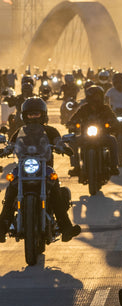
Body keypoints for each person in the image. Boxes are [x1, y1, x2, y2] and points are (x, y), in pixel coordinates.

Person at [0, 97, 82, 242]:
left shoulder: (50, 130)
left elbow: (58, 140)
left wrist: (62, 146)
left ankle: (66, 228)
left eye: (36, 114)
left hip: (45, 168)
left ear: (43, 114)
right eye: (30, 114)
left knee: (56, 190)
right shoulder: (20, 131)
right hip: (24, 168)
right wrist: (6, 149)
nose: (33, 117)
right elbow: (11, 144)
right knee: (11, 190)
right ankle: (2, 228)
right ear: (25, 116)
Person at [66, 84, 121, 175]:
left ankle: (113, 166)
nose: (95, 99)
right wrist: (71, 123)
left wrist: (114, 123)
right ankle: (76, 167)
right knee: (73, 142)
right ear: (88, 97)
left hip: (102, 135)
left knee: (113, 140)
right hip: (85, 136)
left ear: (101, 97)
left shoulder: (105, 108)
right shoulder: (84, 108)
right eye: (93, 97)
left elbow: (113, 118)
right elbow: (75, 117)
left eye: (97, 96)